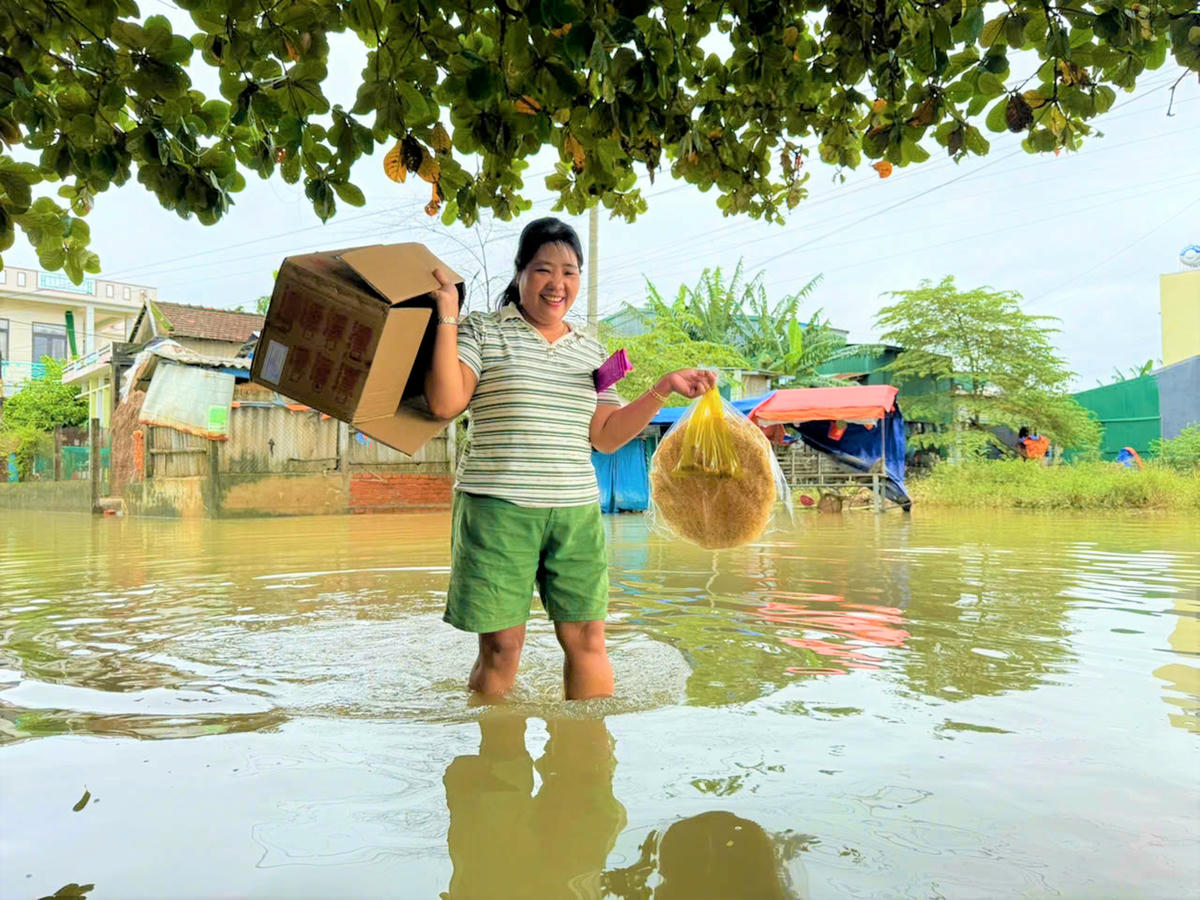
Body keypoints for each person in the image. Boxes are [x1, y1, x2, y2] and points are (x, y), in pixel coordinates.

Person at [424, 216, 715, 700]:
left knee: (588, 641)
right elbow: (444, 403)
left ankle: (588, 745)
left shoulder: (591, 350)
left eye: (570, 272)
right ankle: (494, 743)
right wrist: (448, 316)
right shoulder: (483, 331)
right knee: (502, 649)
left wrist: (663, 388)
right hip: (498, 508)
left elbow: (606, 437)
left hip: (576, 511)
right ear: (520, 272)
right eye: (543, 269)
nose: (557, 284)